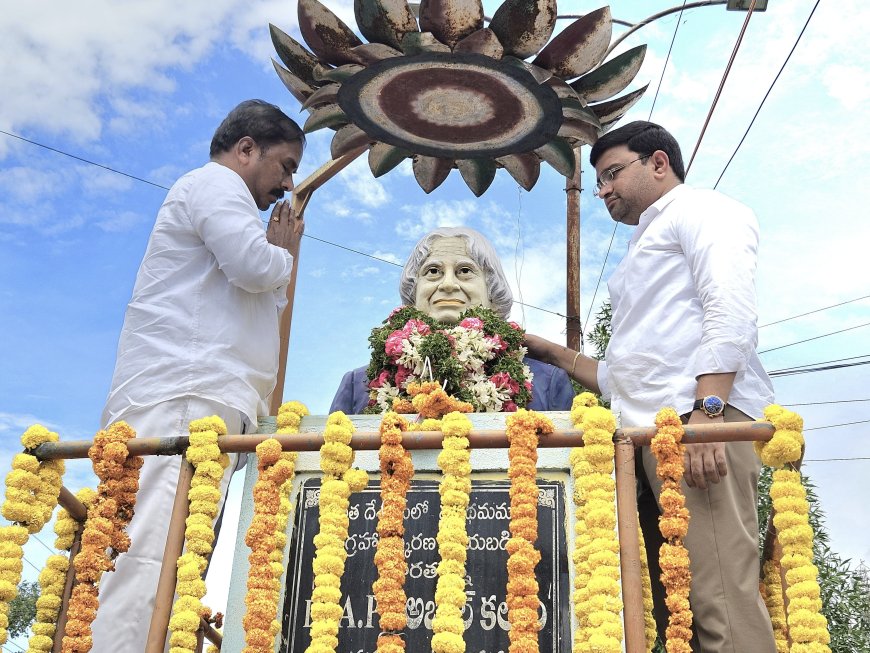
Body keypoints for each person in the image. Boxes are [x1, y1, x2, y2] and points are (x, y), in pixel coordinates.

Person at [525, 121, 776, 652]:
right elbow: (620, 379)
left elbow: (729, 310)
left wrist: (707, 415)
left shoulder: (702, 210)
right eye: (597, 181)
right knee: (674, 611)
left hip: (697, 429)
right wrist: (546, 350)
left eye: (612, 173)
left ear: (658, 163)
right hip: (648, 440)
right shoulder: (645, 243)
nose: (603, 190)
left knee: (718, 604)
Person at [90, 99, 306, 652]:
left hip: (201, 403)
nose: (285, 185)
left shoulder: (224, 197)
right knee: (149, 558)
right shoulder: (214, 185)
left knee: (177, 563)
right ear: (246, 149)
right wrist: (284, 253)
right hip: (184, 398)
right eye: (284, 165)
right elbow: (254, 267)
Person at [330, 226, 575, 414]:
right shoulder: (357, 386)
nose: (448, 284)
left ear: (492, 291)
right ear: (413, 292)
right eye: (433, 271)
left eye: (465, 271)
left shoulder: (548, 383)